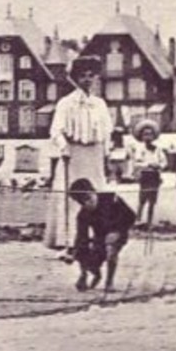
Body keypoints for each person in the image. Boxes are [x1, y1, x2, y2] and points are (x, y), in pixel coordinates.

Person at [45, 56, 113, 249]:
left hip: (95, 156)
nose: (87, 80)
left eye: (91, 76)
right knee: (73, 196)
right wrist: (64, 147)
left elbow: (106, 132)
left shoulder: (100, 104)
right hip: (73, 156)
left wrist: (106, 155)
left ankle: (95, 238)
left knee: (96, 195)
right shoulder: (66, 103)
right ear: (75, 78)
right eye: (82, 76)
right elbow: (55, 131)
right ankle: (69, 241)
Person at [68, 177, 136, 292]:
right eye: (82, 202)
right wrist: (75, 253)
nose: (88, 203)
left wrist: (118, 231)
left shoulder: (110, 198)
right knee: (81, 250)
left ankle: (109, 283)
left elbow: (131, 216)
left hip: (118, 233)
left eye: (89, 198)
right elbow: (81, 237)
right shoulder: (83, 215)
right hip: (99, 238)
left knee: (110, 248)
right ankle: (85, 276)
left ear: (94, 192)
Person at [131, 117, 168, 230]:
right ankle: (138, 220)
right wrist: (148, 165)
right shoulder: (139, 149)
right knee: (142, 199)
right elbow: (137, 163)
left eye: (150, 134)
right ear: (141, 137)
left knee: (152, 200)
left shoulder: (158, 149)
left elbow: (164, 162)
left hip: (154, 176)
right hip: (145, 176)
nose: (148, 137)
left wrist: (159, 166)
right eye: (145, 134)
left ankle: (149, 222)